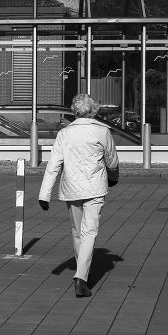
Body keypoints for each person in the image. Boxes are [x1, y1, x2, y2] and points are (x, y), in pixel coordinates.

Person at [38, 93, 119, 298]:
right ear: (93, 110)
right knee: (89, 232)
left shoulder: (64, 134)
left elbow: (53, 165)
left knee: (77, 232)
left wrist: (44, 195)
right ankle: (81, 278)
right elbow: (112, 159)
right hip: (94, 187)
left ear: (75, 111)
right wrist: (114, 177)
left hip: (71, 187)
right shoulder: (102, 131)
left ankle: (81, 272)